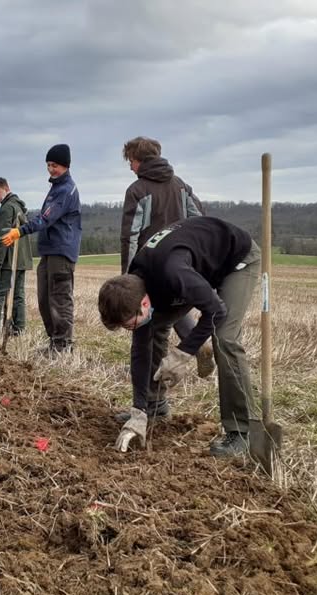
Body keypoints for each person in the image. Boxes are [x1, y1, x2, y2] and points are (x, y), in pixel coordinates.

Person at [98, 216, 261, 457]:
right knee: (151, 330)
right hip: (193, 267)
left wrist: (182, 353)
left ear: (144, 302)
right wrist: (138, 410)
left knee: (224, 338)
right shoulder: (134, 282)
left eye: (129, 324)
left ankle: (242, 432)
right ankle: (154, 408)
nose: (130, 329)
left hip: (236, 260)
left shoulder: (173, 273)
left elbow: (216, 311)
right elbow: (140, 350)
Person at [119, 137, 214, 402]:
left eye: (131, 161)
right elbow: (200, 221)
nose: (130, 167)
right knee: (172, 310)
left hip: (150, 268)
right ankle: (197, 343)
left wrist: (128, 279)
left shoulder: (137, 190)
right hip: (182, 265)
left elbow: (131, 236)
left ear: (139, 160)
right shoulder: (181, 185)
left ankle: (153, 404)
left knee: (150, 335)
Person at [0, 144, 81, 354]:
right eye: (48, 165)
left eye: (54, 165)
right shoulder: (56, 187)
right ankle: (54, 342)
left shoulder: (65, 190)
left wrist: (20, 231)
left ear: (65, 165)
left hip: (61, 252)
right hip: (49, 251)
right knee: (44, 301)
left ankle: (63, 346)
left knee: (59, 300)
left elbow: (46, 218)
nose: (51, 169)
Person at [0, 178, 30, 335]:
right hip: (22, 260)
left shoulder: (7, 208)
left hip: (8, 260)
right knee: (18, 295)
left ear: (6, 188)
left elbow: (3, 238)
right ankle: (18, 330)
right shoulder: (19, 207)